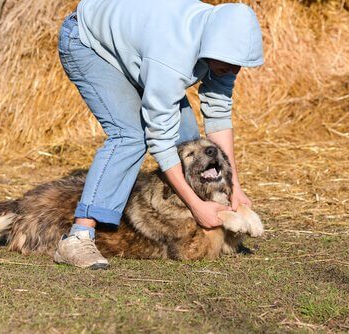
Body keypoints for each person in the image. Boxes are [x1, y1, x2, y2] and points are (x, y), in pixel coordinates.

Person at [54, 0, 264, 269]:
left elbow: (218, 114)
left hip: (136, 48)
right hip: (87, 43)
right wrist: (196, 205)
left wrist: (234, 187)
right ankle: (79, 237)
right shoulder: (172, 57)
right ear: (212, 46)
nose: (234, 71)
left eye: (239, 65)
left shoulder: (223, 48)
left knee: (191, 142)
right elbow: (160, 138)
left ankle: (203, 222)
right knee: (129, 134)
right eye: (229, 64)